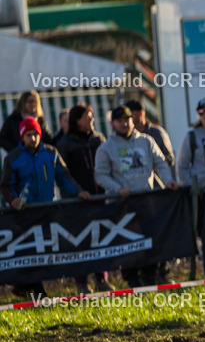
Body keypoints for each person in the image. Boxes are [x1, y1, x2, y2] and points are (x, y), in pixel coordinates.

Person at [1, 117, 90, 297]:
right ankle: (34, 290)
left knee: (46, 251)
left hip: (49, 211)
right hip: (25, 214)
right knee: (31, 251)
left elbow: (64, 178)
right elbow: (5, 185)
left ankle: (26, 287)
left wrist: (78, 192)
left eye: (35, 134)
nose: (32, 138)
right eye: (28, 135)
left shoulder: (51, 153)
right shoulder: (13, 158)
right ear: (22, 137)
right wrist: (13, 200)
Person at [94, 105, 178, 287]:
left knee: (150, 240)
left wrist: (167, 181)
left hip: (146, 200)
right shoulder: (106, 148)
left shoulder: (146, 141)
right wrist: (117, 188)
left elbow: (161, 163)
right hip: (121, 204)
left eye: (127, 119)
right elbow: (100, 175)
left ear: (132, 120)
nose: (124, 123)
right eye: (119, 121)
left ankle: (150, 278)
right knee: (128, 244)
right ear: (112, 124)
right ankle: (132, 281)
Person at [57, 104, 110, 293]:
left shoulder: (98, 140)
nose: (91, 120)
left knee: (100, 238)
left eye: (91, 117)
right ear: (77, 120)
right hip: (78, 202)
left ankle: (101, 279)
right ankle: (81, 282)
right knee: (81, 241)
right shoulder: (66, 143)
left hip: (99, 197)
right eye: (87, 117)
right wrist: (77, 192)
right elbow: (64, 174)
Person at [126, 99, 175, 172]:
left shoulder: (157, 133)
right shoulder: (126, 137)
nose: (128, 120)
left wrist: (153, 162)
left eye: (131, 116)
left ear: (140, 114)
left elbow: (170, 159)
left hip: (157, 181)